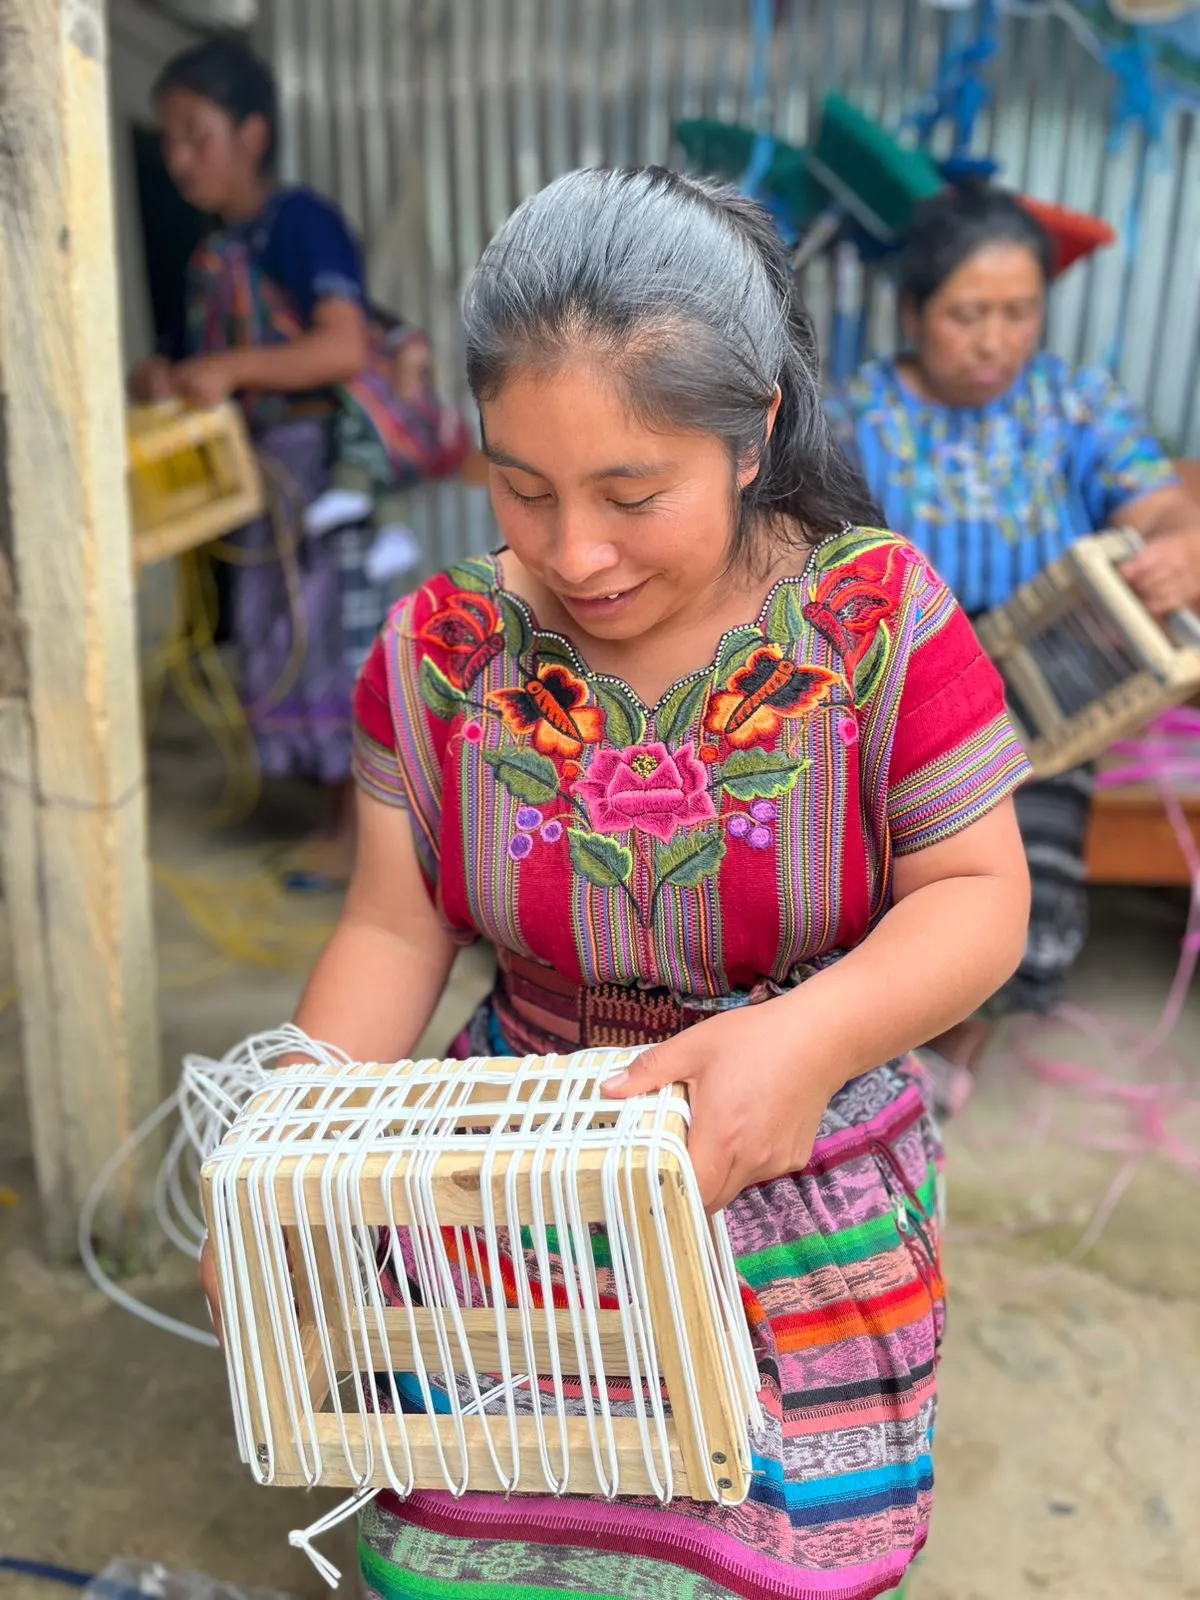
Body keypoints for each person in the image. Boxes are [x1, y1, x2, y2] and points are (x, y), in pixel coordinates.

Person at [201, 166, 1032, 1598]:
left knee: (747, 1537)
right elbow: (395, 924)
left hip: (789, 1161)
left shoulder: (879, 624)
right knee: (495, 1529)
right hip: (512, 1162)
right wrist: (282, 1168)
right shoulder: (439, 652)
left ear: (755, 431)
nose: (573, 552)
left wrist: (807, 1037)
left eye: (632, 494)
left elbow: (978, 896)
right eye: (522, 489)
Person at [829, 181, 1200, 1086]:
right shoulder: (856, 415)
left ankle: (949, 1058)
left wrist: (1178, 543)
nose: (995, 339)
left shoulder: (1076, 407)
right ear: (913, 310)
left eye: (1018, 312)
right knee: (864, 870)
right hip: (897, 679)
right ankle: (875, 1048)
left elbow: (1158, 504)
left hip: (1046, 681)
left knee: (1015, 884)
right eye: (967, 313)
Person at [131, 37, 472, 883]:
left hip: (321, 468)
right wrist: (165, 372)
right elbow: (192, 356)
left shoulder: (301, 224)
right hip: (261, 480)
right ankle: (334, 820)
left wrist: (233, 369)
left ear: (252, 134)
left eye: (194, 133)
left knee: (339, 639)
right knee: (284, 635)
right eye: (168, 137)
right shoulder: (213, 254)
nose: (177, 156)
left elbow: (341, 345)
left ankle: (361, 839)